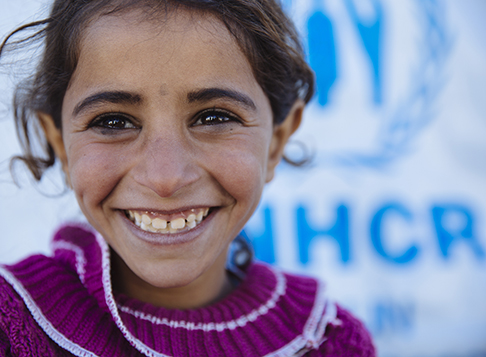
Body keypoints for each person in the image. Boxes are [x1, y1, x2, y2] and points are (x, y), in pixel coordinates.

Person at [0, 0, 375, 356]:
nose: (165, 178)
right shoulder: (11, 326)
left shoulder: (330, 341)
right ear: (60, 143)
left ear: (276, 142)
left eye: (214, 118)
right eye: (112, 122)